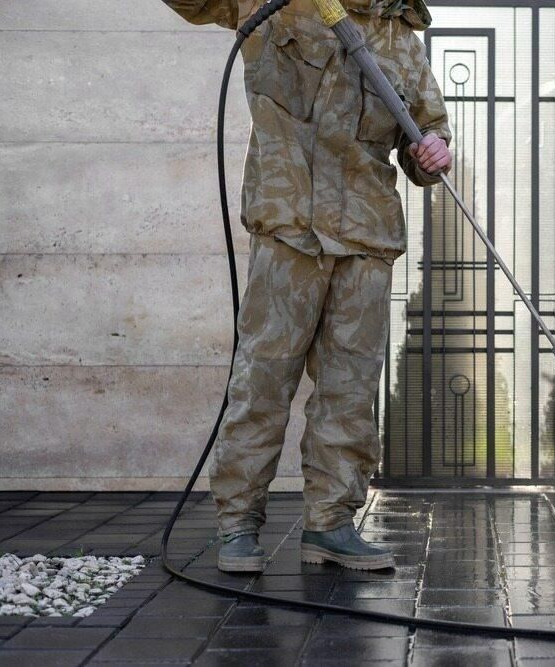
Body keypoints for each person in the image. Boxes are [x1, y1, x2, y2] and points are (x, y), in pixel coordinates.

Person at [162, 0, 451, 572]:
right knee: (263, 379)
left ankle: (331, 524)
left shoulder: (401, 38)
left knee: (349, 386)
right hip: (289, 227)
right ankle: (238, 523)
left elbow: (428, 129)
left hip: (366, 236)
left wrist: (435, 150)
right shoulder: (273, 7)